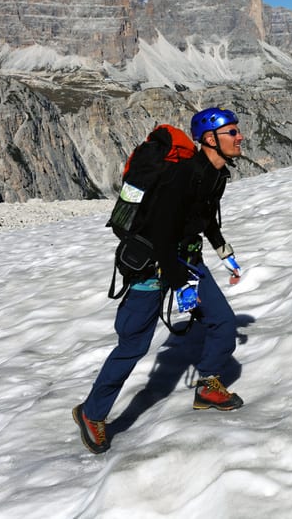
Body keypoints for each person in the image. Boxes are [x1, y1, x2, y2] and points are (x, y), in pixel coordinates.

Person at [73, 107, 246, 454]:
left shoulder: (216, 175)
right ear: (210, 140)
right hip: (153, 265)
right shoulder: (180, 176)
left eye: (237, 131)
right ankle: (92, 413)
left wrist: (225, 253)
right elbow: (162, 233)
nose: (239, 137)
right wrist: (180, 281)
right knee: (133, 345)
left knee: (223, 322)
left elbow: (205, 218)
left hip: (187, 259)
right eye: (232, 132)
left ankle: (208, 385)